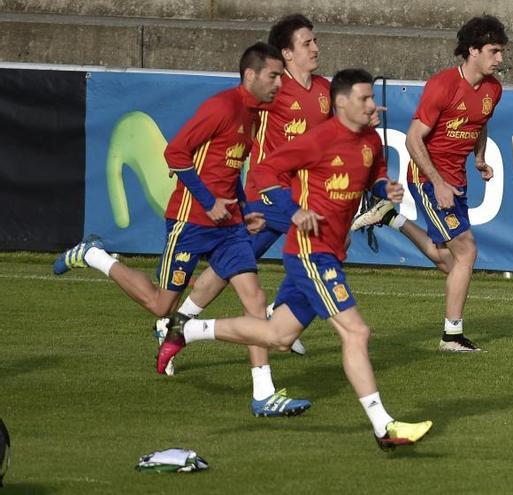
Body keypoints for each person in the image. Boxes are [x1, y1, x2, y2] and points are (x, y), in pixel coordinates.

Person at [156, 68, 433, 450]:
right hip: (310, 252)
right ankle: (384, 426)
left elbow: (375, 175)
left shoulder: (370, 138)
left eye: (372, 98)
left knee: (278, 336)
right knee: (357, 332)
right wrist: (293, 210)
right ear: (341, 103)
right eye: (365, 99)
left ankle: (186, 330)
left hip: (332, 252)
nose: (373, 106)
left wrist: (386, 187)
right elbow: (265, 173)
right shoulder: (318, 140)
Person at [53, 43, 310, 417]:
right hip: (191, 221)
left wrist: (245, 208)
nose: (278, 84)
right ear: (250, 75)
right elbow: (175, 153)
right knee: (161, 304)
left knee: (254, 300)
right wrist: (208, 203)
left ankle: (263, 393)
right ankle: (94, 255)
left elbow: (229, 167)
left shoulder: (256, 114)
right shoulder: (222, 107)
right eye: (273, 76)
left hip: (230, 224)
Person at [161, 14, 331, 358]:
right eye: (307, 42)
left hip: (298, 196)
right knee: (319, 242)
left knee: (230, 267)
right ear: (286, 53)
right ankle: (280, 320)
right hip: (266, 194)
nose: (315, 47)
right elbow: (233, 121)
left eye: (314, 41)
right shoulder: (273, 92)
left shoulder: (325, 89)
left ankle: (176, 325)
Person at [349, 16, 507, 352]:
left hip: (458, 179)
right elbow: (412, 138)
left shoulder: (494, 89)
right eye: (494, 51)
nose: (500, 58)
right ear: (473, 50)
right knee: (466, 251)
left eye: (501, 52)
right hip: (428, 177)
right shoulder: (443, 85)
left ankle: (392, 218)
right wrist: (436, 182)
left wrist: (479, 159)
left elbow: (479, 124)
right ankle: (452, 336)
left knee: (446, 260)